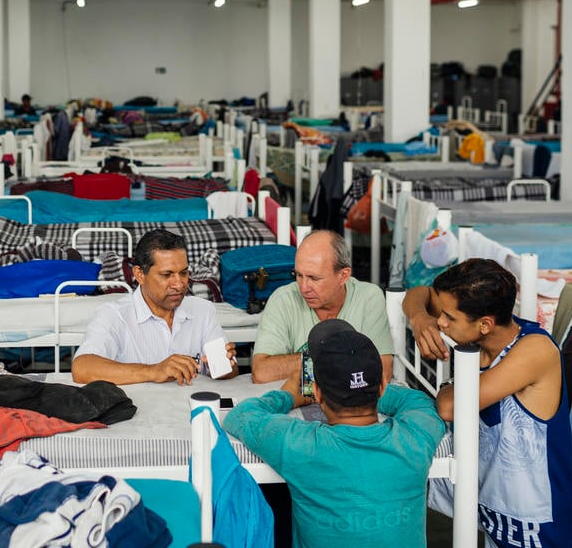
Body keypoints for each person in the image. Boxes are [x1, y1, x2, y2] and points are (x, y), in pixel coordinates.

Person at [225, 319, 444, 548]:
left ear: (317, 393)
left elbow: (241, 416)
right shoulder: (415, 438)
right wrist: (364, 391)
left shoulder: (303, 445)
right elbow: (418, 401)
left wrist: (289, 394)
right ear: (382, 386)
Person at [425, 259, 572, 548]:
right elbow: (418, 294)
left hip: (535, 527)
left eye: (449, 318)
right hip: (496, 516)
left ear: (485, 324)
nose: (440, 323)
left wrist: (449, 389)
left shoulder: (535, 349)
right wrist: (419, 318)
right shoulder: (483, 343)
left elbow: (450, 407)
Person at [72, 229, 237, 385]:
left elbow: (230, 372)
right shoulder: (114, 315)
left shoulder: (203, 310)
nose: (179, 285)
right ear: (139, 275)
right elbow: (82, 368)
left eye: (184, 273)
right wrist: (154, 371)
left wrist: (225, 366)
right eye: (167, 275)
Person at [251, 230, 394, 384]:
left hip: (348, 404)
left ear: (343, 276)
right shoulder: (282, 299)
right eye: (298, 275)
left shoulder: (369, 298)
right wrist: (342, 358)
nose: (304, 287)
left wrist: (306, 363)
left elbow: (382, 372)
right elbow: (261, 372)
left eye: (314, 278)